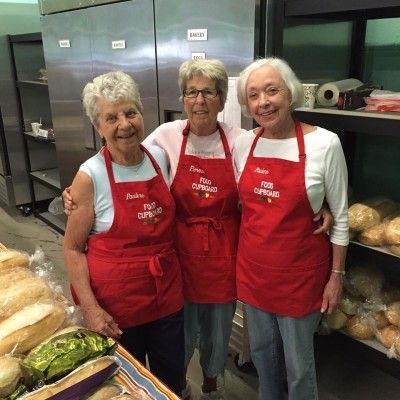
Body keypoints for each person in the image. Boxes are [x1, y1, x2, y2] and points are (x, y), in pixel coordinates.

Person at [62, 60, 333, 400]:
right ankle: (176, 389)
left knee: (216, 337)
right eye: (192, 92)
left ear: (222, 100)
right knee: (180, 341)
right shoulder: (163, 139)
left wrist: (318, 202)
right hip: (179, 260)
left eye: (209, 92)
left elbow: (271, 182)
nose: (200, 100)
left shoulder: (241, 140)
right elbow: (119, 157)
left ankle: (211, 385)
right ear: (183, 98)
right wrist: (74, 195)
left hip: (223, 256)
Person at [233, 57, 349, 400]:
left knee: (300, 365)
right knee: (262, 356)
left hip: (300, 276)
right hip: (254, 272)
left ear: (290, 93)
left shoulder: (325, 144)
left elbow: (341, 217)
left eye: (272, 91)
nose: (263, 102)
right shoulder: (244, 144)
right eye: (253, 95)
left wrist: (336, 276)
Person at [62, 71, 184, 395]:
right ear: (98, 126)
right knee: (125, 387)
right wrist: (90, 309)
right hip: (117, 309)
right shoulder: (89, 177)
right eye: (111, 117)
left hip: (167, 297)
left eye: (130, 112)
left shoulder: (159, 158)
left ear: (142, 114)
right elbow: (73, 248)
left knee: (171, 381)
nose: (124, 124)